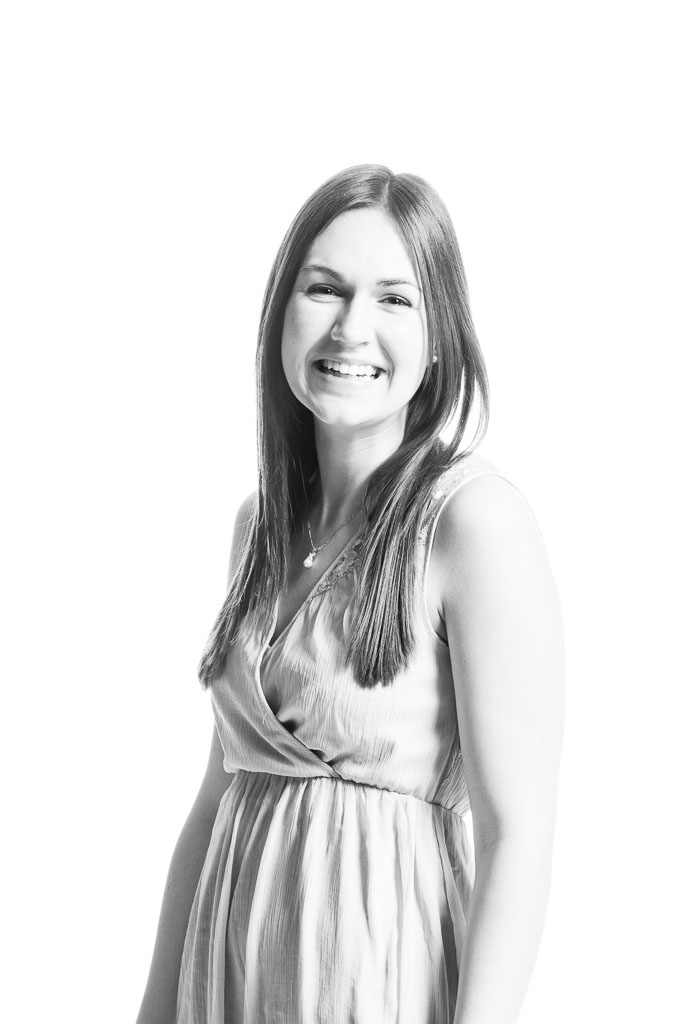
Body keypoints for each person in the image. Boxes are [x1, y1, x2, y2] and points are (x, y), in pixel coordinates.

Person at [136, 164, 565, 1024]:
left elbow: (515, 837)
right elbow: (217, 797)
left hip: (375, 982)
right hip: (225, 981)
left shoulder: (471, 522)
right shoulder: (259, 524)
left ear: (439, 337)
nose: (351, 328)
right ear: (280, 316)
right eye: (323, 288)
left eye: (393, 299)